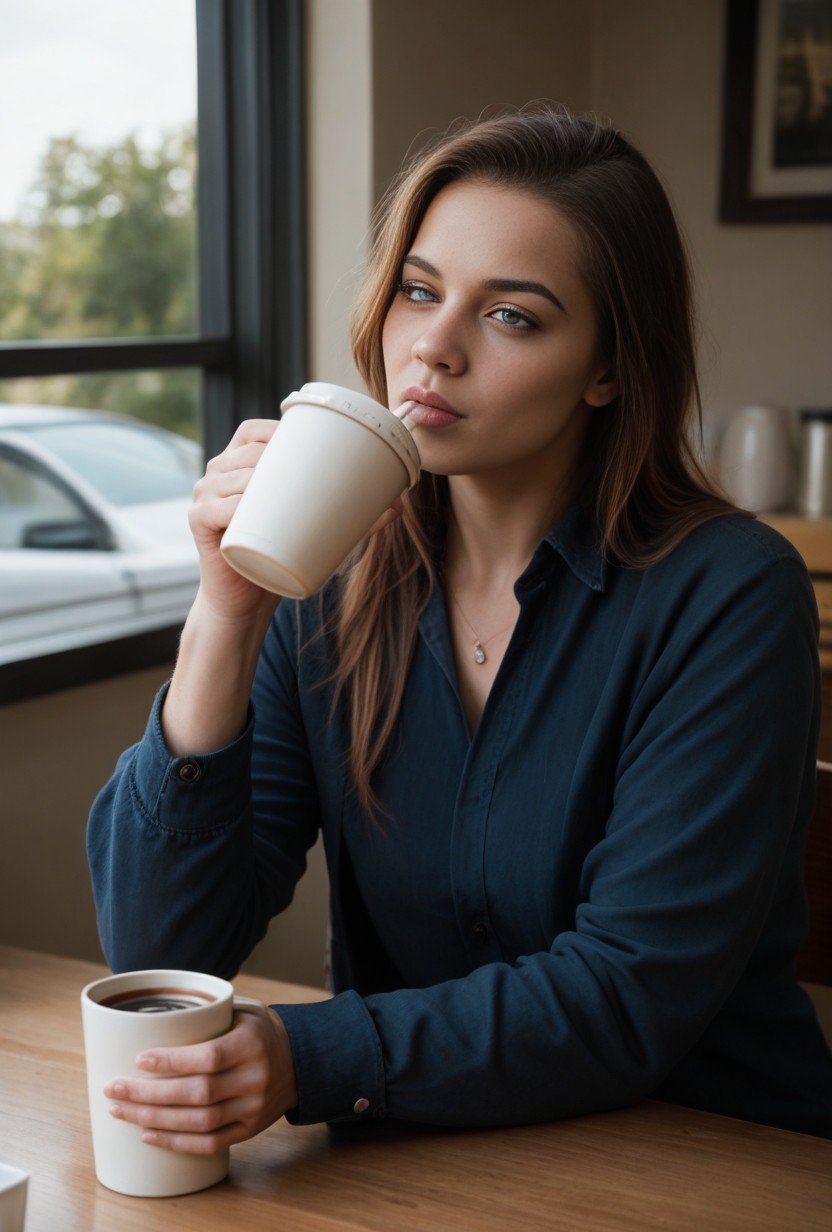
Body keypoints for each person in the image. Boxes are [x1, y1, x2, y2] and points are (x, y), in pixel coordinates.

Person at [87, 103, 832, 1154]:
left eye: (511, 315)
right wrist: (226, 610)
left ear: (608, 368)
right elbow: (163, 949)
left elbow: (630, 993)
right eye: (419, 290)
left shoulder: (727, 594)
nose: (431, 347)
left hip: (702, 1155)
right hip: (425, 1163)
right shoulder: (330, 582)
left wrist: (309, 1058)